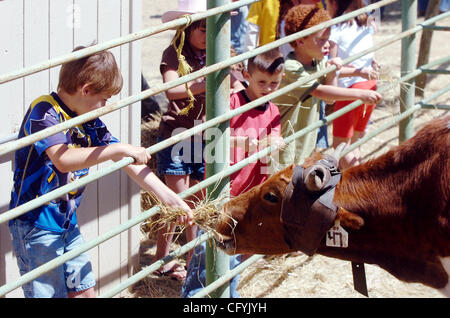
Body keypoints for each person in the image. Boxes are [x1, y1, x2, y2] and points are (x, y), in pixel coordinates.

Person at [8, 47, 193, 298]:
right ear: (86, 90)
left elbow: (128, 160)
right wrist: (116, 149)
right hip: (36, 226)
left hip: (66, 224)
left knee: (85, 292)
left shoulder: (87, 120)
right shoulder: (44, 111)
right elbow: (63, 159)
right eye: (104, 99)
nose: (105, 106)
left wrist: (169, 198)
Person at [181, 48, 286, 298]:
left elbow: (273, 146)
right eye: (262, 82)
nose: (268, 88)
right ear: (247, 75)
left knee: (234, 252)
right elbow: (209, 135)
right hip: (223, 193)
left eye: (274, 83)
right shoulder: (230, 102)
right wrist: (249, 144)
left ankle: (228, 294)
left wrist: (277, 143)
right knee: (208, 254)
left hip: (250, 194)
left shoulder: (273, 111)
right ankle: (194, 296)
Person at [156, 0, 244, 281]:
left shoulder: (222, 49)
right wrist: (209, 79)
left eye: (212, 28)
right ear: (185, 28)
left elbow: (240, 81)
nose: (208, 35)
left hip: (208, 133)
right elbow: (172, 90)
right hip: (179, 131)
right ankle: (161, 258)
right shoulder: (173, 53)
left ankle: (194, 260)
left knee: (197, 201)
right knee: (175, 201)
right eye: (202, 29)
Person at [272, 4, 382, 167]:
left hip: (305, 137)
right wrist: (360, 94)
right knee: (285, 176)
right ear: (300, 41)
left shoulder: (317, 61)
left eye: (328, 39)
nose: (327, 45)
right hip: (286, 138)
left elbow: (329, 96)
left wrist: (357, 72)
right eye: (322, 40)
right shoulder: (292, 67)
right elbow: (321, 92)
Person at [327, 0, 380, 169]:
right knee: (355, 142)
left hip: (351, 91)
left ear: (335, 3)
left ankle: (356, 181)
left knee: (340, 145)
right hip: (369, 85)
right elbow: (370, 58)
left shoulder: (336, 30)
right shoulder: (364, 25)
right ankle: (358, 175)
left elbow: (333, 68)